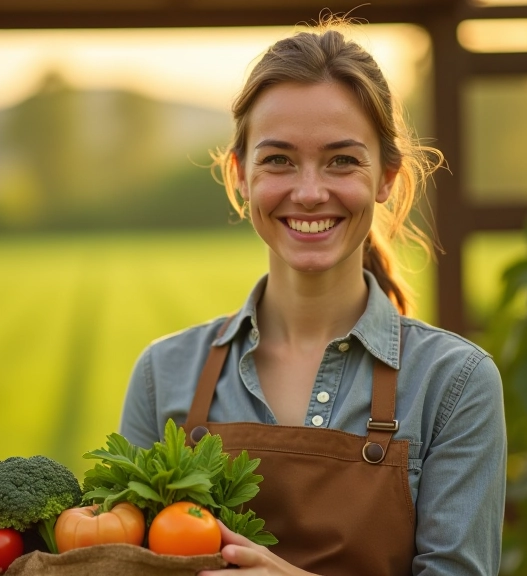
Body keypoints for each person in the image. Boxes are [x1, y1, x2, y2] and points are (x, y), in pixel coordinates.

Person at [119, 20, 507, 576]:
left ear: (386, 178)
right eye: (278, 159)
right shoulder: (164, 374)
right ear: (241, 176)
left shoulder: (453, 384)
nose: (308, 192)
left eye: (341, 160)